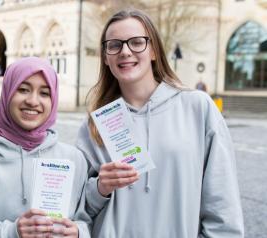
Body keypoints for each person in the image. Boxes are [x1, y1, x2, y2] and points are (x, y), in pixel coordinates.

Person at [76, 9, 244, 237]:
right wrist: (99, 189)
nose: (125, 52)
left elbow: (223, 205)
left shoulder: (197, 107)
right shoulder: (94, 126)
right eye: (114, 45)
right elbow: (77, 212)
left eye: (137, 42)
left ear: (154, 50)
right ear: (105, 57)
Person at [0, 57, 91, 238]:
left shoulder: (73, 159)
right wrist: (11, 232)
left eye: (44, 93)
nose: (33, 101)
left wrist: (78, 233)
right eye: (23, 89)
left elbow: (86, 221)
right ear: (7, 93)